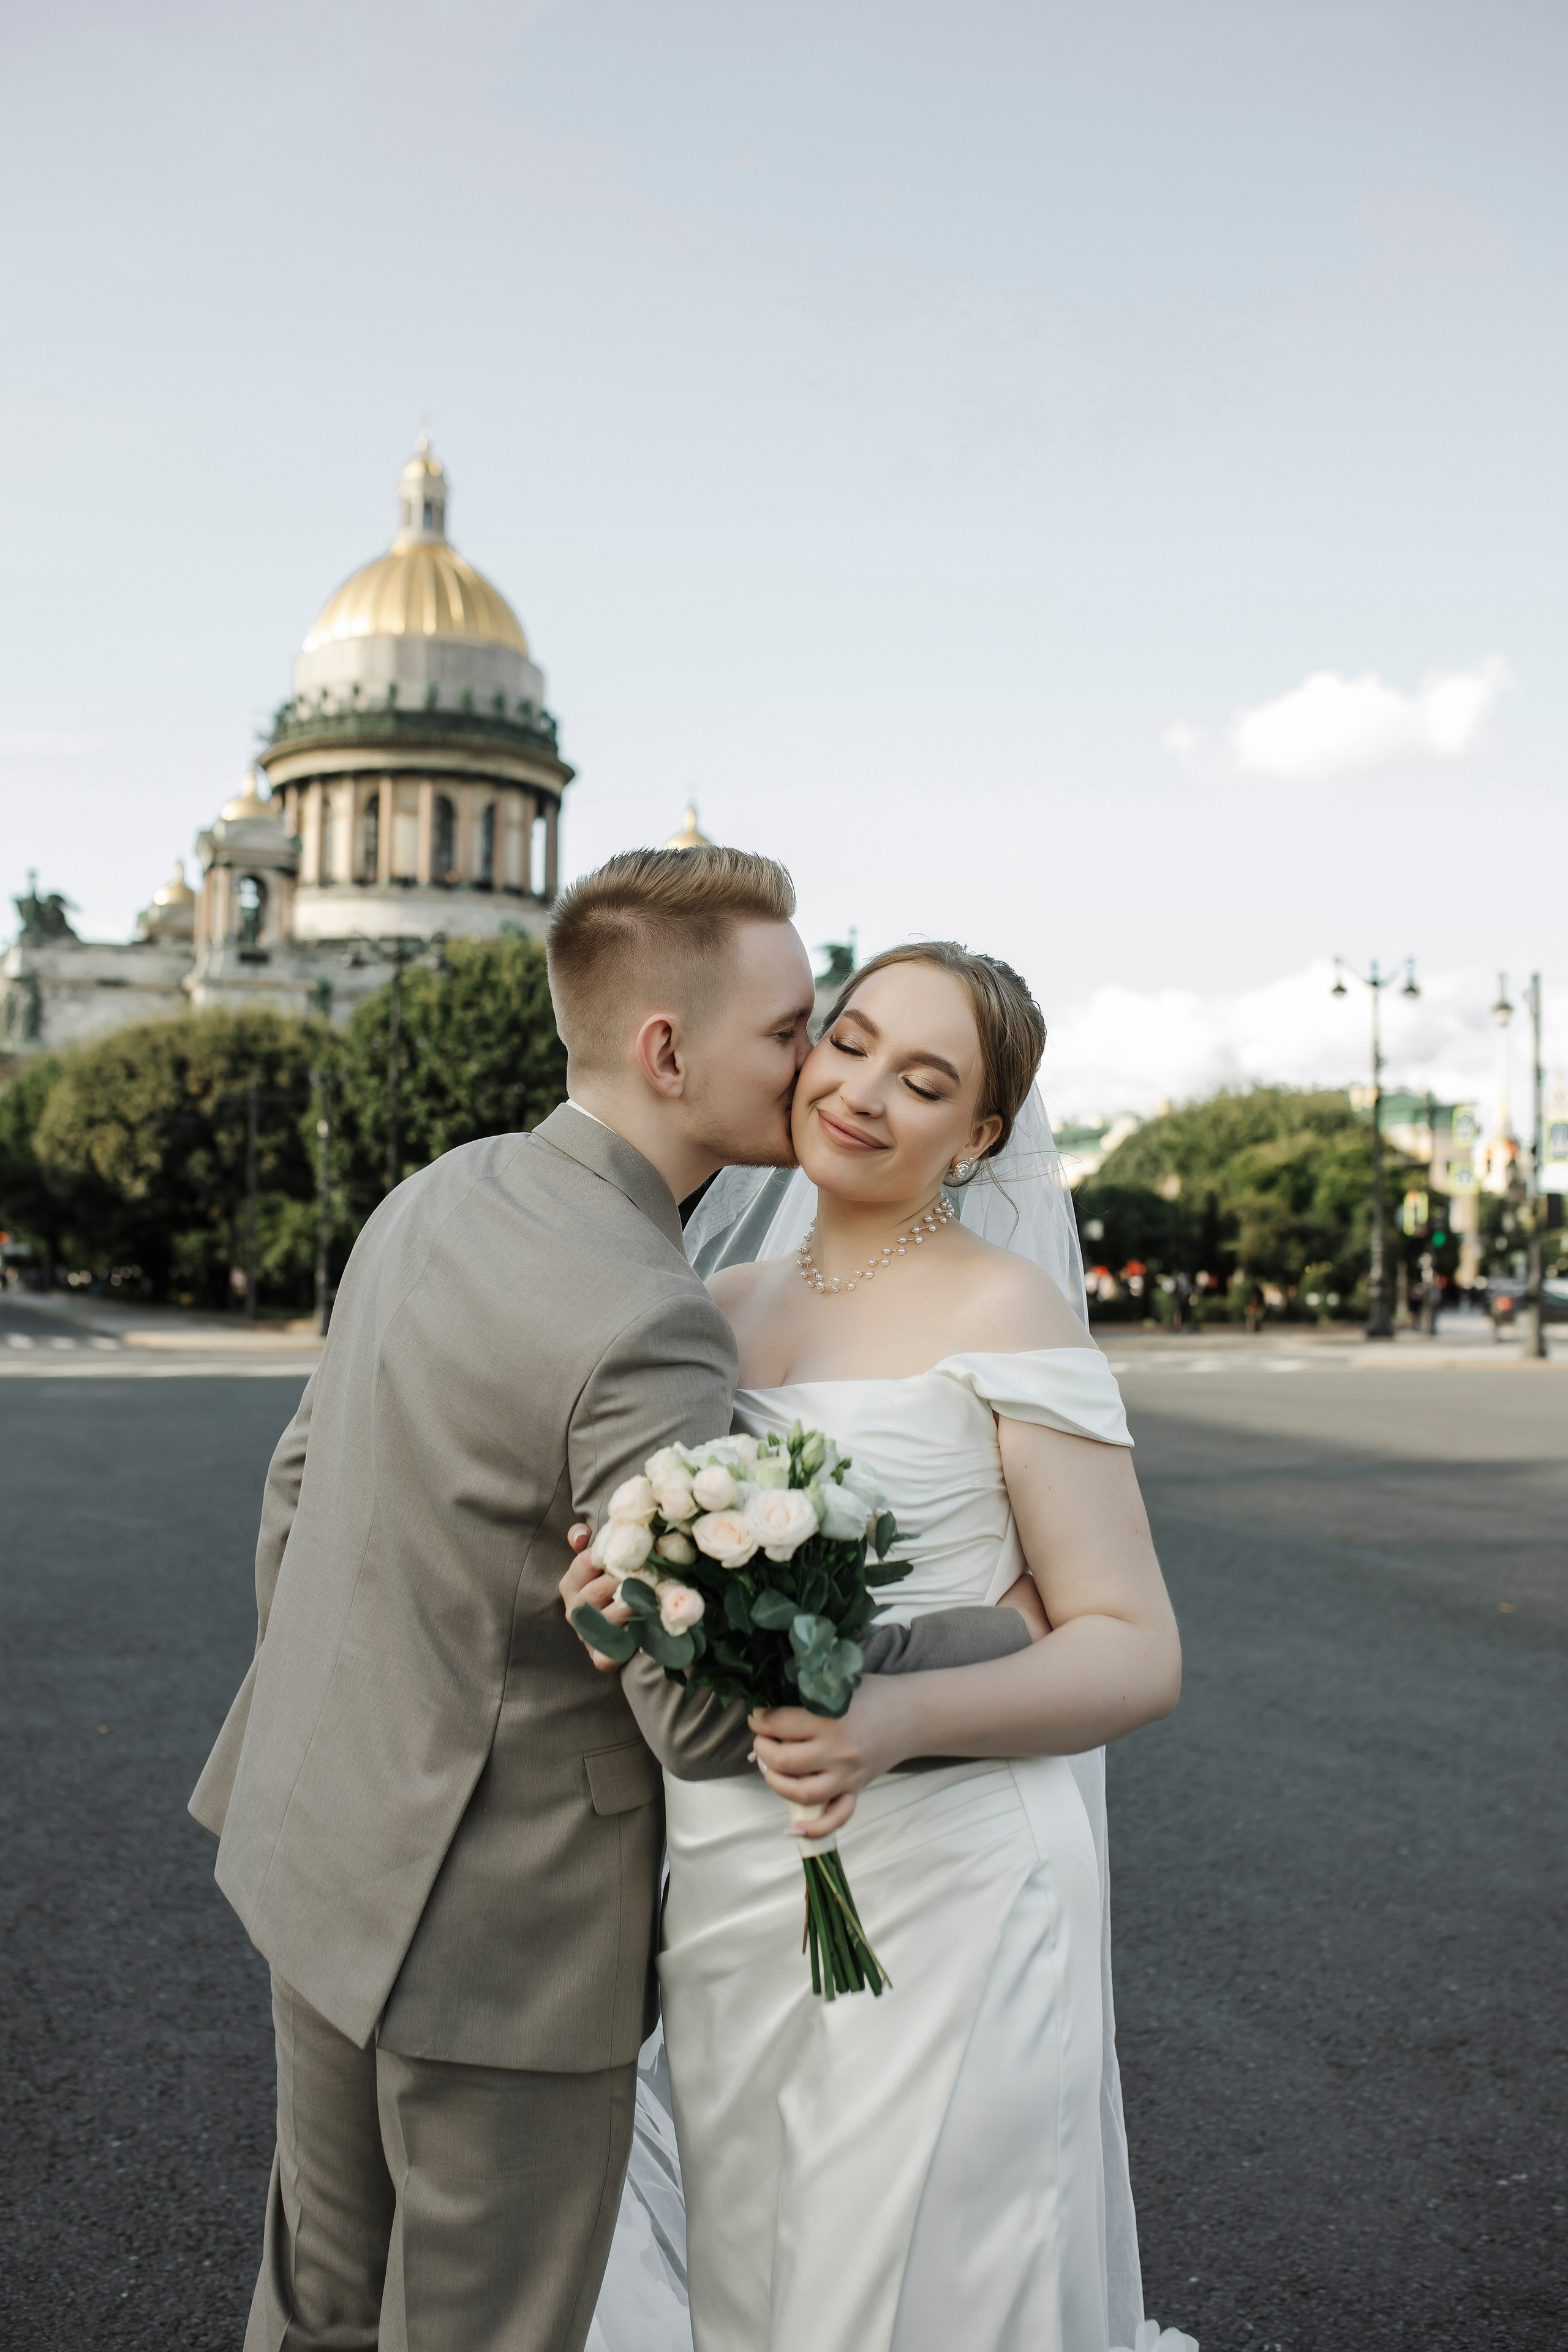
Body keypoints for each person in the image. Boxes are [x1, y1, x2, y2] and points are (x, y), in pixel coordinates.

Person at [190, 848, 1031, 2352]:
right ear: (666, 1048)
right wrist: (989, 1629)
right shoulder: (645, 1316)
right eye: (791, 1032)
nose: (813, 1067)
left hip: (312, 1839)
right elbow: (706, 1713)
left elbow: (293, 1496)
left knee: (314, 2301)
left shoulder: (435, 1192)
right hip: (499, 1936)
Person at [571, 941, 1189, 2352]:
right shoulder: (710, 1314)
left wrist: (895, 1725)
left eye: (922, 1082)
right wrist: (619, 1593)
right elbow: (670, 1594)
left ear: (978, 1137)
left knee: (918, 2283)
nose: (858, 1092)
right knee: (758, 2279)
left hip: (953, 1883)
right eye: (844, 1043)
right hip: (736, 1878)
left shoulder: (1001, 1311)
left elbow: (1133, 1646)